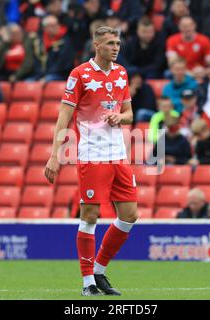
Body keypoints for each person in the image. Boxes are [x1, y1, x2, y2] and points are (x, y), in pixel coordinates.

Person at [44, 26, 137, 296]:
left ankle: (99, 270)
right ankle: (88, 284)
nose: (116, 48)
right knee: (90, 216)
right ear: (96, 44)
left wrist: (121, 118)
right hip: (92, 154)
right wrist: (54, 155)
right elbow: (64, 116)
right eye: (110, 43)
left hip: (118, 154)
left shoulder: (121, 73)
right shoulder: (80, 74)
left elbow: (129, 112)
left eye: (118, 43)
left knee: (130, 216)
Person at [32, 15, 76, 82]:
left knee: (47, 80)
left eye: (56, 24)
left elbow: (63, 63)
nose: (56, 27)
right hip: (43, 74)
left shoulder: (65, 41)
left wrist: (47, 74)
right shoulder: (39, 42)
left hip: (61, 74)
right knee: (28, 82)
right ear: (45, 28)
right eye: (52, 26)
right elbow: (37, 61)